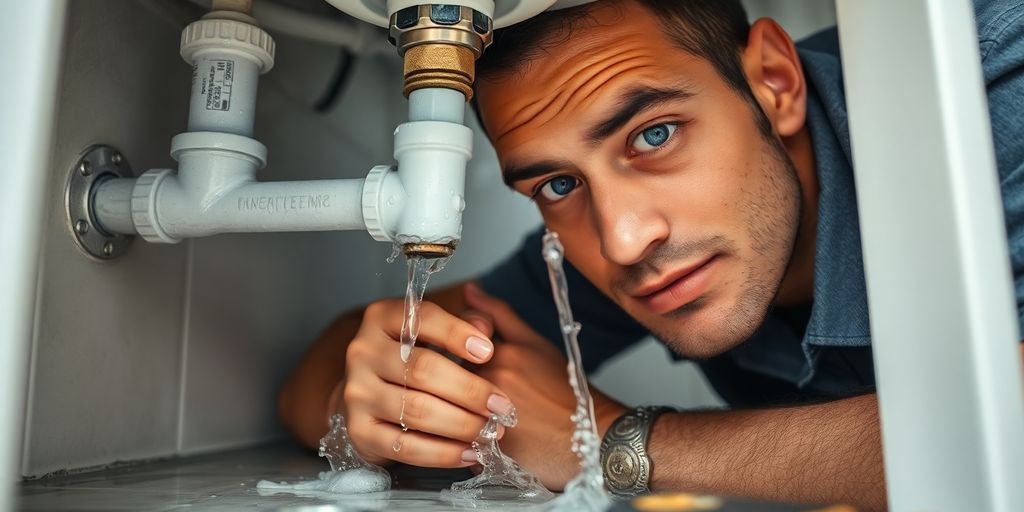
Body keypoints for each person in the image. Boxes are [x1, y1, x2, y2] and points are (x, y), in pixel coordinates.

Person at [277, 0, 1024, 509]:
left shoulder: (992, 81)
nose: (624, 240)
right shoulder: (620, 247)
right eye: (558, 183)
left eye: (654, 135)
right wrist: (383, 392)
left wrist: (613, 442)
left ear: (775, 82)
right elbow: (323, 374)